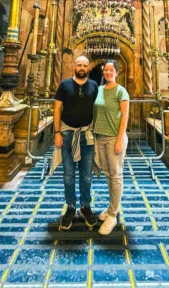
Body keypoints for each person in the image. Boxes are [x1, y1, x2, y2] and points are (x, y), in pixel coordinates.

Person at [54, 56, 98, 230]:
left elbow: (98, 108)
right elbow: (57, 109)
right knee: (68, 173)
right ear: (74, 66)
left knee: (87, 174)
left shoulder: (94, 86)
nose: (81, 68)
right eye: (79, 65)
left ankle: (85, 206)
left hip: (87, 134)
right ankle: (70, 206)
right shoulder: (64, 85)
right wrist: (57, 132)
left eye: (85, 65)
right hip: (67, 134)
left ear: (88, 68)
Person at [94, 60, 130, 235]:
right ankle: (111, 208)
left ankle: (113, 215)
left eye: (111, 70)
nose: (108, 72)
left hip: (114, 138)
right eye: (106, 70)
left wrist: (118, 140)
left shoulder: (121, 91)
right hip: (100, 137)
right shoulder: (99, 90)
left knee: (115, 175)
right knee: (108, 174)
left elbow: (125, 117)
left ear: (116, 72)